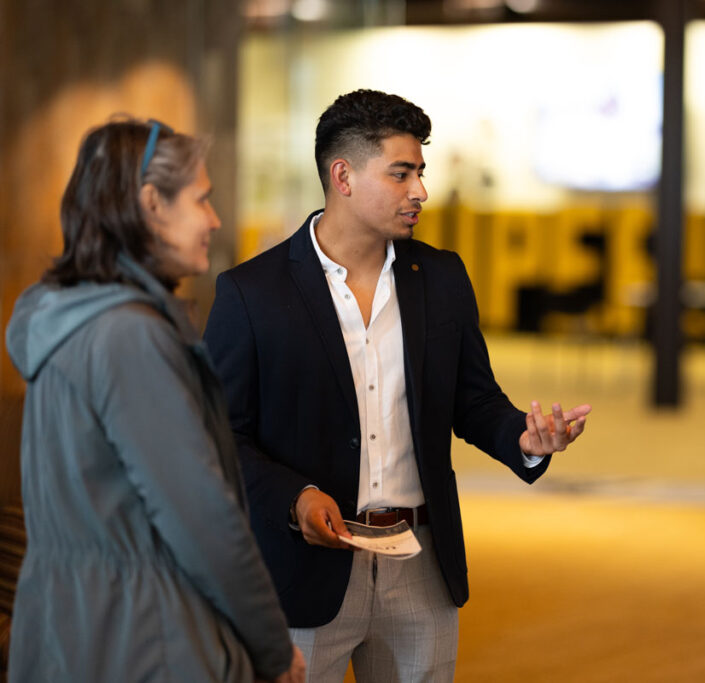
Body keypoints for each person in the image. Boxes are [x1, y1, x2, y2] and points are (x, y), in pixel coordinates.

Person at [203, 89, 590, 681]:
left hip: (420, 563)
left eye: (421, 172)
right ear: (344, 176)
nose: (421, 192)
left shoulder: (441, 276)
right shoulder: (251, 294)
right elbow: (224, 435)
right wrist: (295, 498)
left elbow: (474, 400)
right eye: (401, 173)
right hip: (304, 566)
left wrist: (526, 441)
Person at [4, 119, 305, 682]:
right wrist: (271, 645)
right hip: (146, 639)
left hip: (69, 631)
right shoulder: (129, 337)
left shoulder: (67, 320)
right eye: (202, 199)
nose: (215, 219)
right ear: (152, 204)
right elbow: (203, 518)